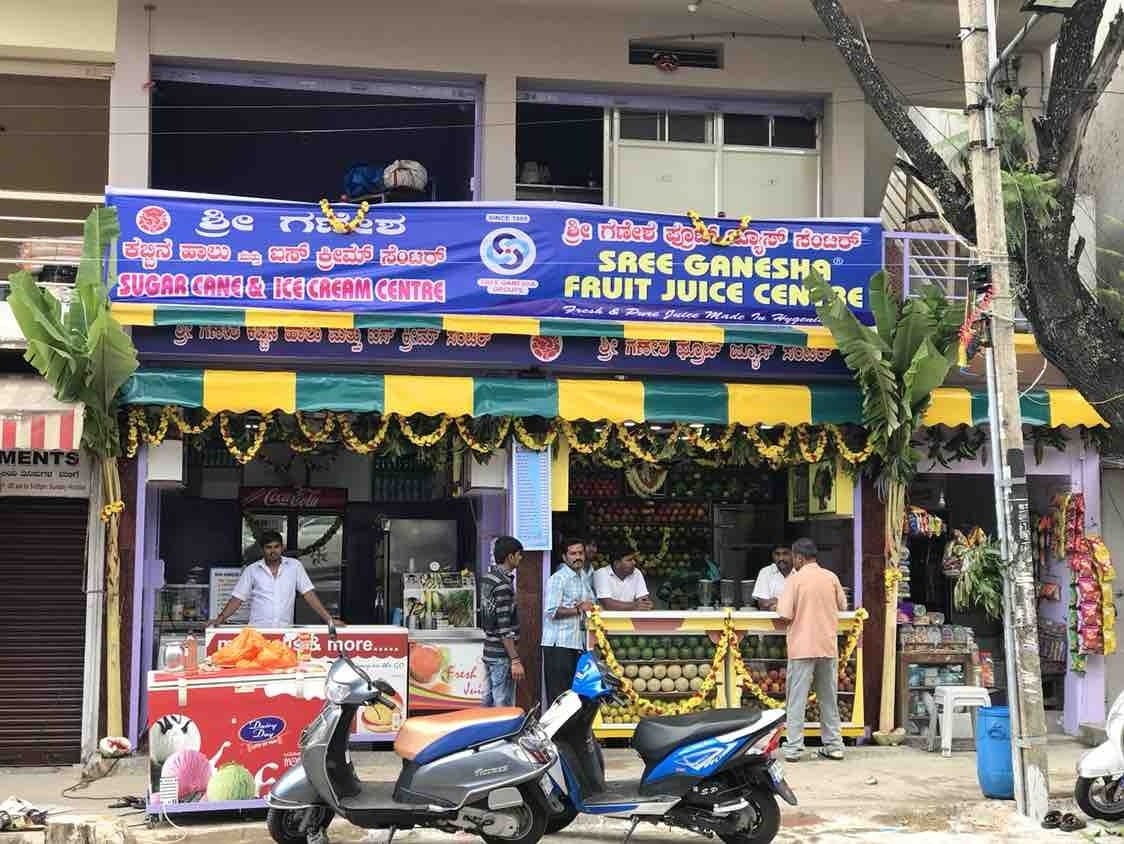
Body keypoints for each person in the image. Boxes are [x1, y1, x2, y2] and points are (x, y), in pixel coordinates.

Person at [776, 537, 847, 763]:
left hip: (802, 647)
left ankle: (795, 748)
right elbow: (843, 606)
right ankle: (834, 746)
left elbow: (784, 614)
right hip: (827, 646)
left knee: (797, 700)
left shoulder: (795, 581)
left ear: (798, 557)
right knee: (829, 699)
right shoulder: (831, 577)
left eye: (793, 557)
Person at [212, 530, 339, 628]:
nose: (273, 551)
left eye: (276, 546)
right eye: (268, 547)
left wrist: (329, 619)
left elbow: (309, 594)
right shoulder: (252, 570)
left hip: (284, 631)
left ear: (282, 547)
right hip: (257, 631)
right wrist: (220, 619)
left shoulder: (294, 566)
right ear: (262, 549)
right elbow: (237, 598)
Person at [542, 539, 595, 704]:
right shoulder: (559, 579)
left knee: (573, 697)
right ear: (565, 557)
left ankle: (570, 730)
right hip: (559, 645)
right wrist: (579, 609)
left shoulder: (583, 577)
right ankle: (557, 730)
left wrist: (587, 607)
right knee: (560, 698)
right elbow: (551, 611)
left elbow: (591, 604)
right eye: (573, 554)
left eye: (580, 553)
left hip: (577, 644)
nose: (578, 557)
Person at [479, 536, 524, 708]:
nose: (521, 559)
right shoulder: (503, 585)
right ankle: (501, 736)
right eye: (519, 555)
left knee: (487, 701)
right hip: (500, 655)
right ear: (510, 557)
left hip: (488, 651)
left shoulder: (488, 577)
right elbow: (504, 627)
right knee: (502, 704)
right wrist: (515, 660)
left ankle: (483, 735)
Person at [753, 546, 794, 611]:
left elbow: (803, 604)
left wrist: (776, 601)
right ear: (772, 555)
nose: (781, 558)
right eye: (777, 554)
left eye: (785, 554)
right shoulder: (765, 572)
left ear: (793, 554)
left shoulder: (800, 572)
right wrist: (789, 603)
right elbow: (763, 604)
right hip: (770, 620)